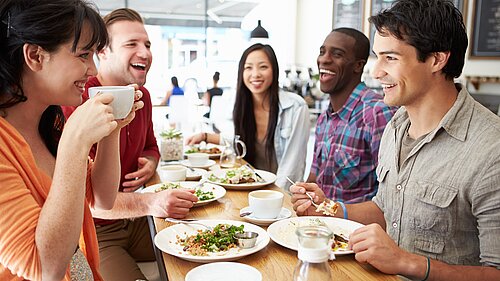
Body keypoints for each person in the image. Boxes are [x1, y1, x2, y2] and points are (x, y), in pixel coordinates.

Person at [292, 1, 500, 280]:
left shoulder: (491, 149)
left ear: (437, 60)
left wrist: (408, 263)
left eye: (390, 58)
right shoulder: (396, 126)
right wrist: (330, 208)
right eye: (378, 57)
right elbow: (386, 209)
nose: (376, 72)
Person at [0, 0, 144, 280]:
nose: (92, 69)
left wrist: (112, 127)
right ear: (35, 56)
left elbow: (102, 198)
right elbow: (44, 268)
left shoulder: (49, 122)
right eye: (83, 55)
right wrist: (73, 145)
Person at [62, 8, 198, 281]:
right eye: (131, 44)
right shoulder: (75, 99)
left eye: (147, 44)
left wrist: (150, 162)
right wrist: (150, 203)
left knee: (200, 244)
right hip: (98, 231)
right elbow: (90, 201)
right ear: (102, 52)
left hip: (137, 221)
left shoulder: (142, 96)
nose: (145, 52)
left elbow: (152, 146)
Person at [186, 43, 310, 189]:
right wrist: (205, 136)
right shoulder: (242, 106)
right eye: (248, 67)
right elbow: (238, 142)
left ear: (274, 70)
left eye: (263, 67)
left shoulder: (295, 107)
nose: (255, 74)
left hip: (278, 194)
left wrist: (275, 197)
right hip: (251, 185)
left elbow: (292, 166)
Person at [307, 27, 396, 203]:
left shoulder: (378, 113)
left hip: (357, 229)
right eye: (322, 52)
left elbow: (392, 198)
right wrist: (302, 191)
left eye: (337, 54)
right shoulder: (325, 117)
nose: (324, 59)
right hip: (321, 226)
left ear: (358, 65)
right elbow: (315, 177)